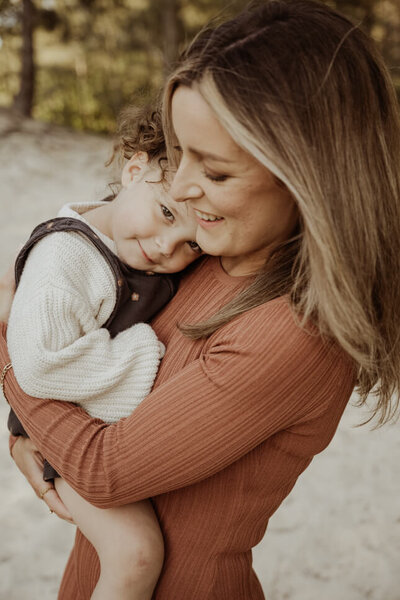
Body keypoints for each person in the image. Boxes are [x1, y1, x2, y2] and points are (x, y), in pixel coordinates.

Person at [1, 0, 400, 598]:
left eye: (213, 172)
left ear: (310, 178)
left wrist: (8, 353)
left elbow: (105, 470)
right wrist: (28, 432)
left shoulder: (292, 332)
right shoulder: (203, 251)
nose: (183, 188)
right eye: (179, 152)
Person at [5, 109, 203, 600]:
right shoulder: (67, 257)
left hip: (89, 428)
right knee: (135, 554)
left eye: (192, 246)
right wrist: (143, 353)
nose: (165, 247)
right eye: (166, 214)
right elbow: (42, 364)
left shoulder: (129, 246)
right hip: (59, 432)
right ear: (133, 171)